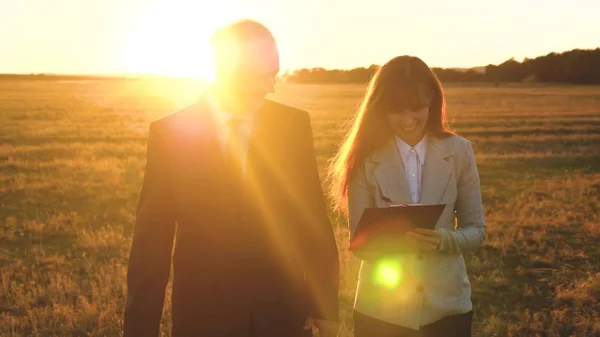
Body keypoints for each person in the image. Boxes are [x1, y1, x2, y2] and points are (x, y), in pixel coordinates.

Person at [124, 19, 339, 337]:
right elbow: (151, 239)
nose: (271, 86)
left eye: (274, 73)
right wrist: (141, 328)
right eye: (261, 75)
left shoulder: (294, 125)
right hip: (204, 315)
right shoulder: (170, 133)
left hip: (283, 313)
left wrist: (325, 307)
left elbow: (311, 217)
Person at [328, 55, 486, 337]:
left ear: (433, 102)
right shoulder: (363, 159)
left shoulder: (460, 151)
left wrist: (444, 240)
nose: (408, 119)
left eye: (417, 108)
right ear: (380, 108)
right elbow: (359, 244)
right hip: (381, 312)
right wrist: (390, 235)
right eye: (396, 110)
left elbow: (477, 231)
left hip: (447, 308)